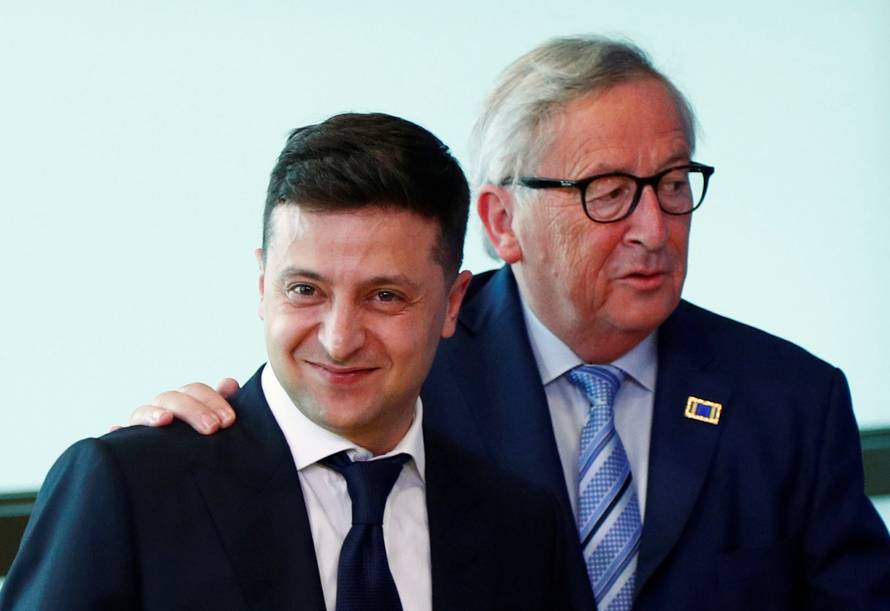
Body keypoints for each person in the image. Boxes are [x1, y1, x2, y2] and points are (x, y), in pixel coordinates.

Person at [132, 36, 888, 610]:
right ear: (502, 220)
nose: (654, 228)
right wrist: (179, 444)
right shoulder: (397, 368)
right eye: (610, 191)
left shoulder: (791, 401)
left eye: (671, 183)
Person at [0, 113, 588, 611]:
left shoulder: (523, 526)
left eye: (385, 297)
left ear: (452, 304)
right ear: (262, 284)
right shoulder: (130, 487)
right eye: (305, 290)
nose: (338, 340)